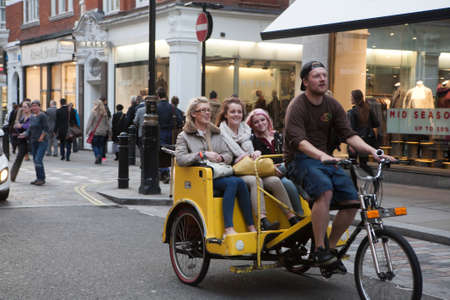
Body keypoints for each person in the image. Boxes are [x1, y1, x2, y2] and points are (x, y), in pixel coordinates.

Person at [284, 61, 394, 270]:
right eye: (317, 76)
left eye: (324, 75)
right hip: (299, 160)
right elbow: (298, 141)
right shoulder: (297, 106)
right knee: (324, 191)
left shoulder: (332, 105)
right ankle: (318, 249)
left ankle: (330, 249)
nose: (322, 79)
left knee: (353, 201)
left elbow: (349, 134)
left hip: (324, 159)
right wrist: (321, 155)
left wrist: (373, 151)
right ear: (305, 81)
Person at [175, 97, 256, 237]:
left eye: (209, 110)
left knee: (241, 183)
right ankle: (228, 228)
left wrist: (222, 157)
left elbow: (228, 154)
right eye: (203, 110)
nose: (208, 113)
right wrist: (202, 154)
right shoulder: (184, 136)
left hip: (219, 173)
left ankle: (250, 226)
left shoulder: (216, 133)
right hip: (200, 178)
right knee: (233, 183)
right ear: (194, 114)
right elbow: (181, 159)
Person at [217, 97, 300, 230]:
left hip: (251, 166)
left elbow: (252, 152)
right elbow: (222, 156)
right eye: (232, 112)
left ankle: (291, 218)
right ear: (225, 114)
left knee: (274, 181)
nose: (236, 115)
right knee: (255, 181)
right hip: (234, 170)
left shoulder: (246, 131)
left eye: (239, 112)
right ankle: (262, 220)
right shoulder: (220, 133)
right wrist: (238, 158)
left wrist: (255, 153)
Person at [246, 108, 305, 219]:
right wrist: (271, 167)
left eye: (262, 120)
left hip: (285, 169)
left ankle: (305, 208)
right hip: (268, 173)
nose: (260, 123)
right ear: (252, 125)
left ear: (268, 120)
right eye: (256, 122)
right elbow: (254, 162)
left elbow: (289, 153)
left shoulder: (278, 136)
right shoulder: (252, 141)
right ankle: (299, 214)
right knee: (287, 183)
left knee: (294, 168)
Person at [347, 90, 380, 187]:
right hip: (367, 140)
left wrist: (351, 145)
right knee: (363, 163)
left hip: (356, 141)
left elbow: (351, 129)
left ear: (355, 98)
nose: (350, 99)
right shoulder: (368, 109)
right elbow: (376, 124)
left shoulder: (352, 112)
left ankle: (354, 186)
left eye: (351, 97)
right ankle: (375, 179)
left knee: (352, 164)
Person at [157, 87, 182, 182]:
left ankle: (164, 171)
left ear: (158, 96)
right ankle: (165, 171)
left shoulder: (157, 107)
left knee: (161, 151)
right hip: (171, 132)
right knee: (169, 151)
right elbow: (179, 120)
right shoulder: (172, 107)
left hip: (160, 132)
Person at [22, 100, 49, 186]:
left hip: (42, 141)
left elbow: (46, 128)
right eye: (33, 106)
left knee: (38, 159)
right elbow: (30, 128)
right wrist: (24, 134)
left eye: (36, 106)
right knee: (35, 160)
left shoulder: (42, 116)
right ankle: (39, 178)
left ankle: (41, 179)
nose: (34, 108)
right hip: (33, 141)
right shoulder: (32, 117)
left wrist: (42, 136)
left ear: (39, 107)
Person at [10, 101, 32, 182]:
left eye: (25, 107)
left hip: (31, 140)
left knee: (37, 159)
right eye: (23, 107)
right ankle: (12, 176)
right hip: (22, 140)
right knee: (19, 158)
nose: (23, 108)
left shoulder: (32, 117)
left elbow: (31, 126)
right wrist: (17, 126)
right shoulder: (23, 117)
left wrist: (21, 125)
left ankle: (40, 177)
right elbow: (18, 127)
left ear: (30, 108)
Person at [87, 99, 111, 164]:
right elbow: (107, 123)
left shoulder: (94, 112)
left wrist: (87, 131)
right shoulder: (104, 113)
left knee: (94, 145)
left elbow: (89, 122)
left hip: (95, 132)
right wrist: (109, 131)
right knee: (101, 146)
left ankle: (97, 155)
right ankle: (100, 157)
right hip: (103, 132)